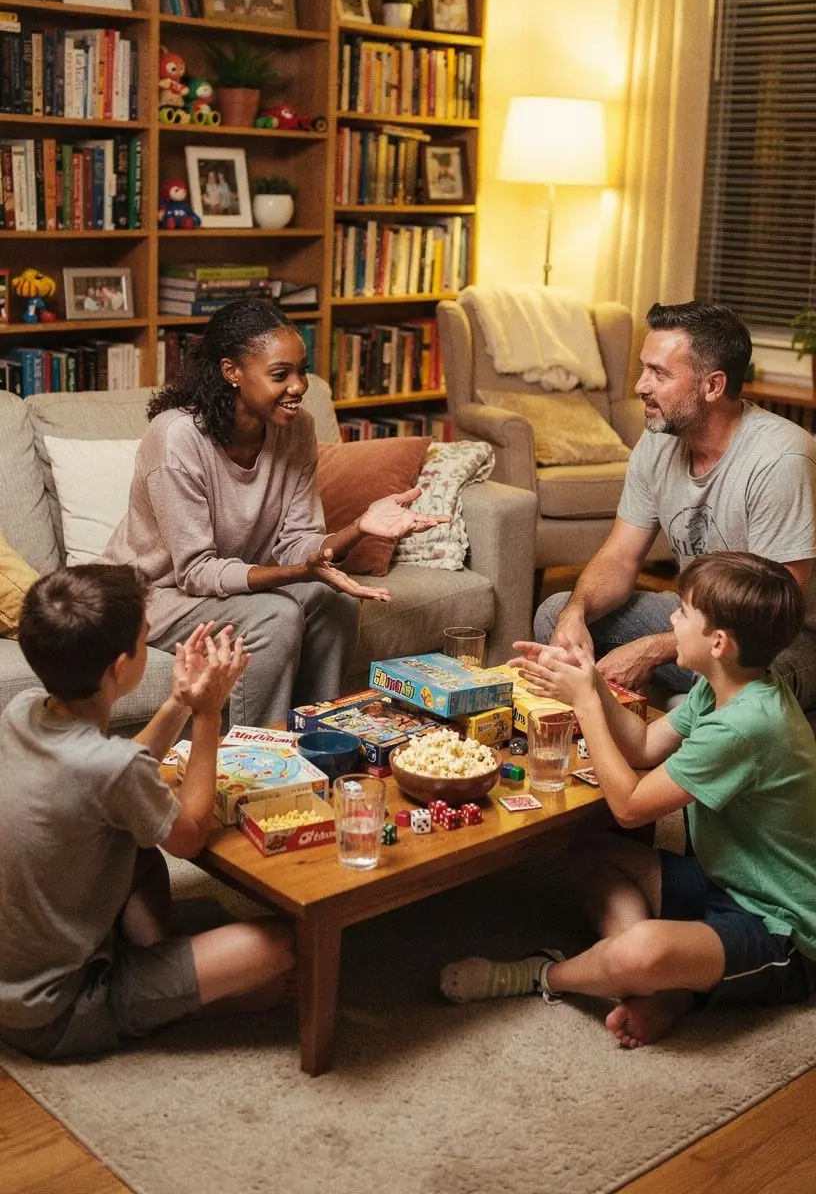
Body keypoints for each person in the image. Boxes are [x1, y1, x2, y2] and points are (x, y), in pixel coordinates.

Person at [441, 551, 816, 1046]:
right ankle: (664, 987)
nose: (671, 620)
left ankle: (545, 976)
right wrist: (589, 677)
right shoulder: (724, 687)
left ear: (718, 642)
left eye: (683, 612)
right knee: (590, 853)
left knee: (638, 951)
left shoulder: (745, 726)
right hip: (722, 882)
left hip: (783, 930)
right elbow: (642, 746)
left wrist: (584, 705)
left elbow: (630, 805)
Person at [0, 564, 295, 1059]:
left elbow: (117, 770)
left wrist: (180, 700)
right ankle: (183, 1000)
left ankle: (168, 973)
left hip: (16, 978)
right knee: (281, 946)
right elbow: (191, 836)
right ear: (120, 667)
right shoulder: (113, 769)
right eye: (145, 639)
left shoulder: (23, 709)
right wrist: (207, 714)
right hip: (59, 1013)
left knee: (135, 853)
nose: (151, 642)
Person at [104, 299, 445, 726]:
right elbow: (196, 571)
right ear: (232, 372)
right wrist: (300, 572)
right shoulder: (176, 437)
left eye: (301, 370)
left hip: (215, 589)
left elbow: (299, 543)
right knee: (277, 615)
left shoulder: (296, 429)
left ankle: (320, 738)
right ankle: (261, 763)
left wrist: (358, 528)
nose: (299, 386)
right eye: (280, 374)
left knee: (332, 600)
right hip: (152, 595)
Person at [534, 301, 816, 713]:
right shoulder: (658, 440)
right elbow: (619, 556)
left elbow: (773, 610)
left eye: (659, 373)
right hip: (695, 622)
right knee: (556, 615)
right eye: (644, 367)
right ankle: (626, 727)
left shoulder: (780, 459)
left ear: (713, 386)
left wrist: (654, 649)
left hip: (782, 641)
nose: (639, 386)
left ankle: (670, 714)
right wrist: (576, 611)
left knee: (733, 683)